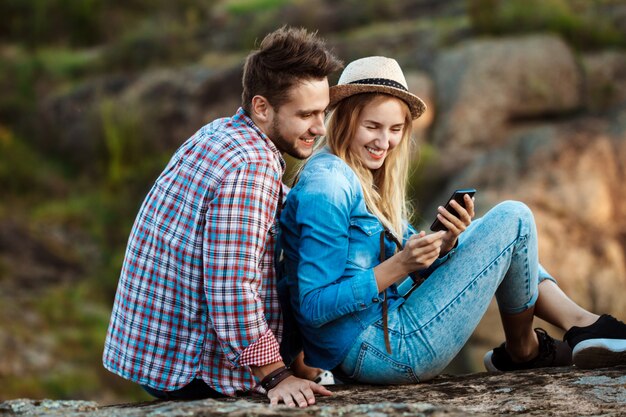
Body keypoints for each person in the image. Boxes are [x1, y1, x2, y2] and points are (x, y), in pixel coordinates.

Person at [277, 56, 626, 385]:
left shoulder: (363, 177)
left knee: (491, 231)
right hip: (380, 349)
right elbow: (313, 306)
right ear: (345, 120)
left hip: (381, 331)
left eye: (396, 129)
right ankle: (535, 346)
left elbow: (404, 267)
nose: (385, 142)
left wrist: (446, 244)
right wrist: (400, 265)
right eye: (372, 126)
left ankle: (564, 332)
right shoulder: (329, 185)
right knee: (513, 218)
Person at [103, 26, 342, 407]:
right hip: (188, 368)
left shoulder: (222, 133)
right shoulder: (251, 167)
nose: (320, 127)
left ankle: (308, 362)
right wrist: (275, 377)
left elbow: (269, 215)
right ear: (262, 107)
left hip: (152, 352)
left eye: (323, 111)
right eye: (307, 114)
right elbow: (231, 288)